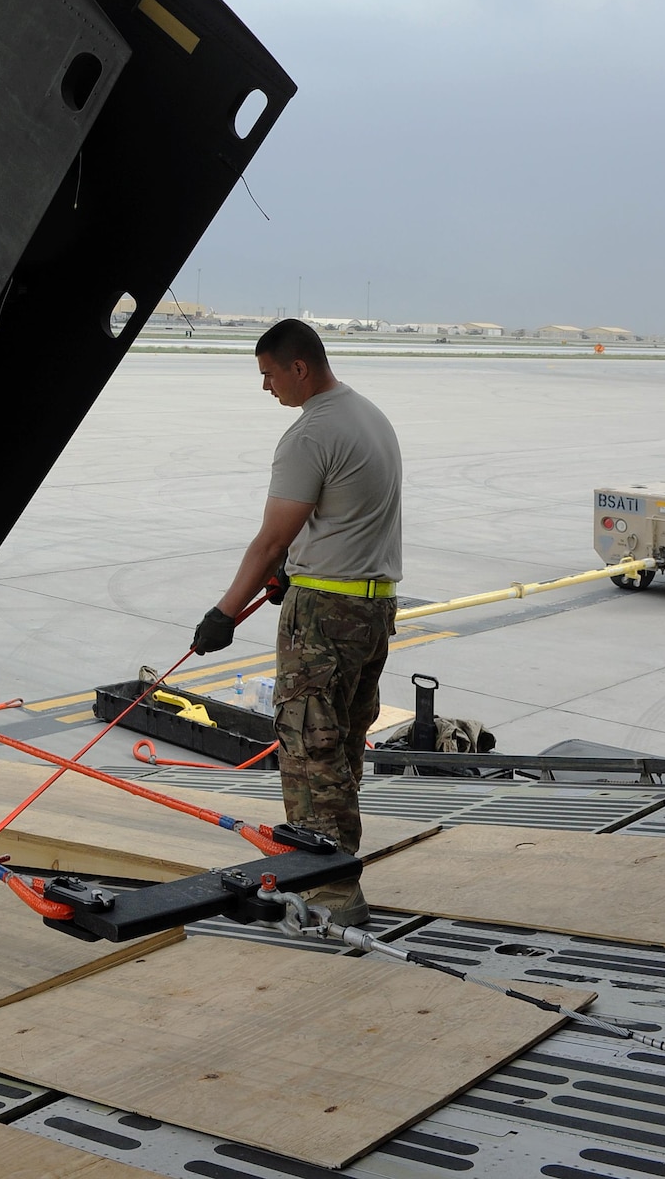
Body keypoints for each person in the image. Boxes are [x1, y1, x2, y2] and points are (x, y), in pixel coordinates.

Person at [190, 319, 402, 928]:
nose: (266, 388)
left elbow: (270, 541)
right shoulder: (368, 416)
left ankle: (328, 893)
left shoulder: (309, 434)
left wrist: (224, 612)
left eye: (268, 375)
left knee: (310, 752)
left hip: (326, 618)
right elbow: (344, 519)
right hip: (372, 607)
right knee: (339, 749)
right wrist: (297, 568)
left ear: (298, 368)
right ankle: (339, 868)